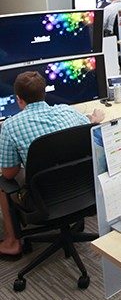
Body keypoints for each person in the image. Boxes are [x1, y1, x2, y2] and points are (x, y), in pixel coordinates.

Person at [0, 71, 104, 257]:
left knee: (2, 184)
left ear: (19, 99)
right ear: (44, 92)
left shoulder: (10, 126)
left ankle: (12, 243)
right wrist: (94, 118)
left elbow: (8, 174)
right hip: (82, 192)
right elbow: (89, 126)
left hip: (42, 200)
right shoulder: (68, 111)